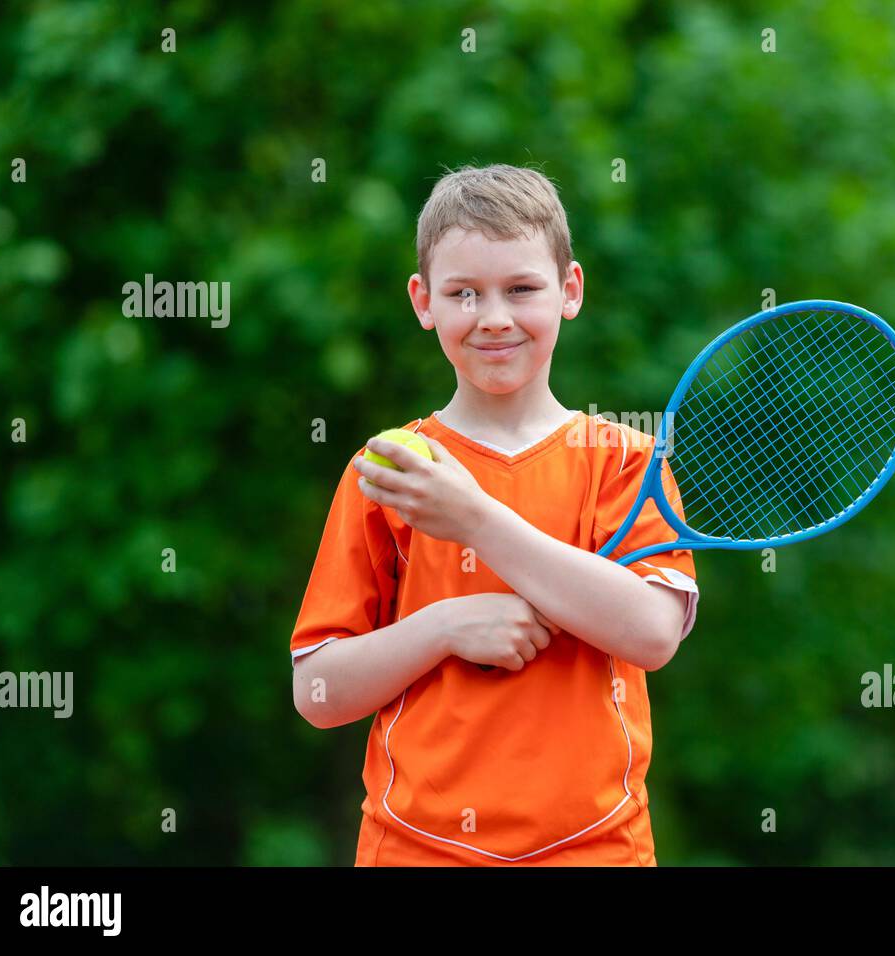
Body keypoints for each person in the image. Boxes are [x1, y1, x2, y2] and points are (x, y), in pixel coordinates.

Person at [290, 163, 699, 865]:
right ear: (423, 302)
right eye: (464, 293)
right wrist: (443, 628)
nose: (495, 317)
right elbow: (318, 691)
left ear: (570, 290)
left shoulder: (623, 460)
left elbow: (653, 634)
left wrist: (475, 520)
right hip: (414, 848)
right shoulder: (392, 471)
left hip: (597, 848)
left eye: (521, 288)